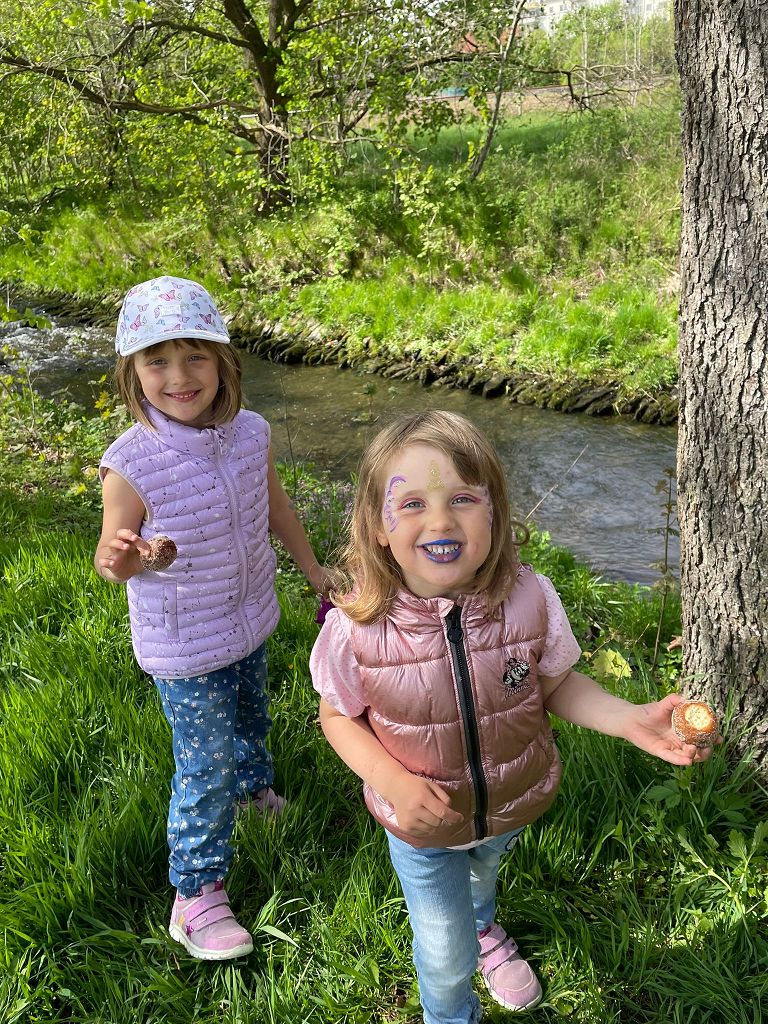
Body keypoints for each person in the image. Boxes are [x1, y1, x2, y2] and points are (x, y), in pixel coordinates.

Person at [309, 410, 716, 1023]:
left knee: (482, 877)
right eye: (412, 504)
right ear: (377, 529)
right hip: (423, 828)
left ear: (495, 514)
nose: (440, 521)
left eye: (462, 499)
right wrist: (392, 781)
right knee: (443, 953)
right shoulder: (356, 629)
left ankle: (482, 925)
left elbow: (557, 685)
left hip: (508, 805)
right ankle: (451, 1011)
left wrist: (629, 718)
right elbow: (337, 717)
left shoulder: (529, 599)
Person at [95, 275, 329, 961]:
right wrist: (127, 557)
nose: (180, 377)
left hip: (249, 615)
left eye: (195, 356)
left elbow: (275, 506)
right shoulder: (131, 463)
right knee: (205, 765)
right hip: (185, 642)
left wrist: (314, 570)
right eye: (158, 361)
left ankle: (255, 795)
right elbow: (112, 560)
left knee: (252, 716)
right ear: (133, 373)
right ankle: (195, 894)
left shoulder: (251, 434)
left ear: (224, 362)